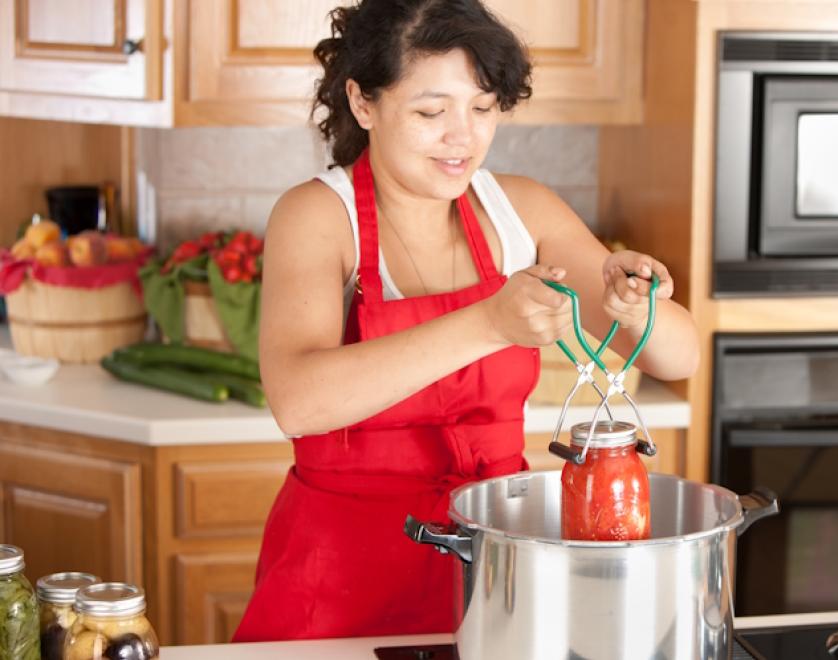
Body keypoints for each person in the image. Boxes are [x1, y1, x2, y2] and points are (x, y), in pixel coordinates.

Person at [233, 0, 700, 642]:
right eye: (431, 113)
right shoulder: (316, 216)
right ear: (364, 103)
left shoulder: (523, 210)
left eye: (482, 109)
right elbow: (298, 402)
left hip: (494, 563)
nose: (464, 138)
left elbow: (678, 357)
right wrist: (489, 324)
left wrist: (638, 306)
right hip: (340, 577)